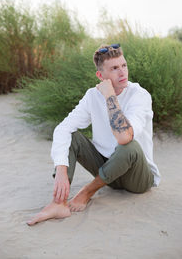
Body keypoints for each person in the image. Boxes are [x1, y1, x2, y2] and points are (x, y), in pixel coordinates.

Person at [27, 43, 161, 226]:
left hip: (137, 178)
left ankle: (87, 192)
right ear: (100, 75)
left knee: (128, 146)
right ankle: (58, 203)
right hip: (108, 173)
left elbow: (124, 137)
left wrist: (109, 96)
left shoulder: (139, 95)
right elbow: (62, 128)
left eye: (124, 65)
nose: (122, 72)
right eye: (114, 68)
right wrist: (61, 168)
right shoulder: (92, 96)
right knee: (71, 136)